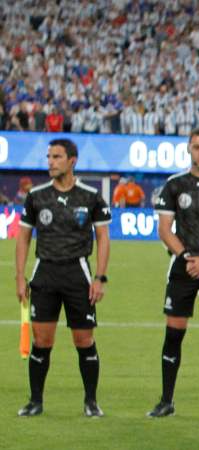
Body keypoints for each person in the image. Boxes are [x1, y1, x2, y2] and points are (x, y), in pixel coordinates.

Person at [14, 138, 112, 418]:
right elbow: (22, 238)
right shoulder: (36, 196)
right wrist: (20, 277)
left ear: (72, 161)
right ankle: (35, 401)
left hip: (77, 274)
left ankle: (91, 402)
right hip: (44, 273)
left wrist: (100, 277)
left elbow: (103, 238)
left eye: (56, 157)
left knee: (84, 340)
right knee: (42, 341)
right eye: (48, 157)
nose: (50, 162)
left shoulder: (91, 196)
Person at [147, 127, 199, 418]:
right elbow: (164, 230)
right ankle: (166, 401)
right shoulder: (175, 185)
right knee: (174, 334)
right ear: (189, 150)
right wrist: (189, 257)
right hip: (183, 266)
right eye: (196, 147)